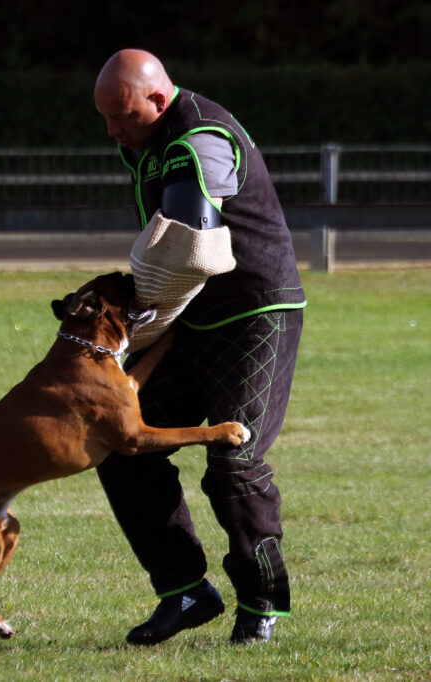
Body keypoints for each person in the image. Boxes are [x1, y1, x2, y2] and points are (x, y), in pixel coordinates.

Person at [93, 49, 306, 645]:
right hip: (193, 320)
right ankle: (184, 591)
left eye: (121, 115)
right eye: (104, 118)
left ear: (158, 100)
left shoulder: (202, 138)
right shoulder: (149, 141)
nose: (112, 131)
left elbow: (189, 250)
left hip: (255, 316)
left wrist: (126, 332)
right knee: (121, 439)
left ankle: (262, 605)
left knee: (234, 464)